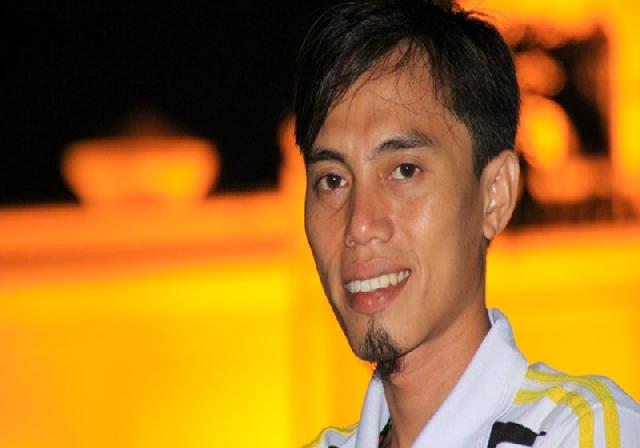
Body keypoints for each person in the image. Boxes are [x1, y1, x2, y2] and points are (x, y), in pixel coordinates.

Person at [293, 0, 640, 446]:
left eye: (404, 171)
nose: (359, 225)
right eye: (332, 180)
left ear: (495, 194)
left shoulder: (586, 432)